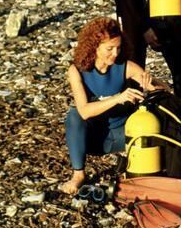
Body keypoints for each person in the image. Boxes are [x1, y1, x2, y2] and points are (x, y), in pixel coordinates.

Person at [61, 17, 165, 194]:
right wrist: (118, 98)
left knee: (153, 117)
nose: (115, 53)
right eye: (109, 49)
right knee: (74, 116)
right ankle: (78, 174)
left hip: (122, 136)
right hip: (93, 139)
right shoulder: (76, 71)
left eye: (118, 48)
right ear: (94, 47)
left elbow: (160, 89)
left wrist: (154, 85)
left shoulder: (125, 67)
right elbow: (84, 111)